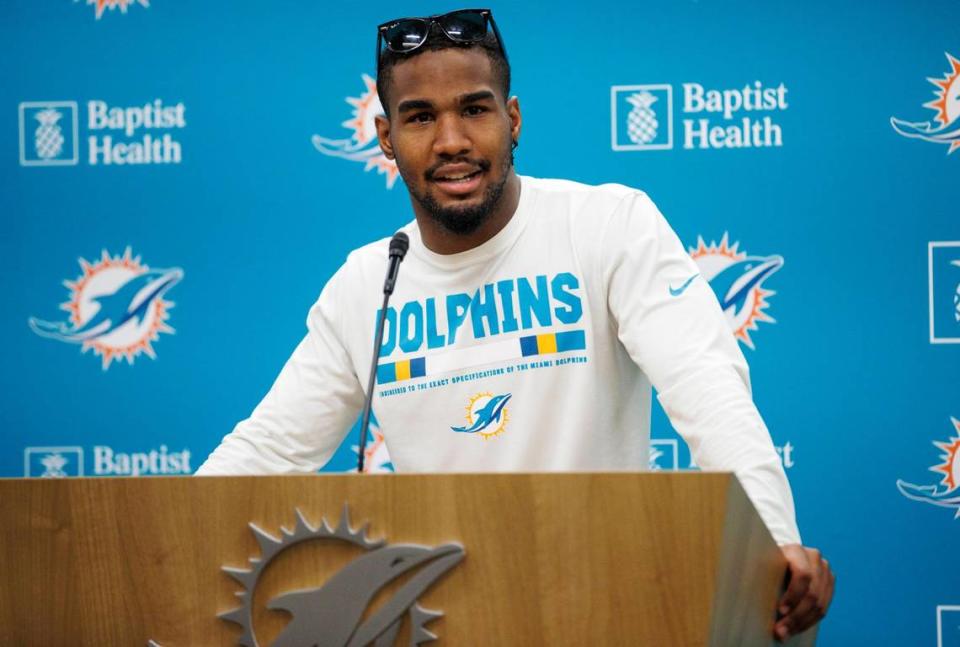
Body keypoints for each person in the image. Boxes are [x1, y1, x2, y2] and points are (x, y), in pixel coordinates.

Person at [197, 9, 834, 640]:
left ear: (513, 119)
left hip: (605, 608)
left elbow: (708, 389)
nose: (451, 141)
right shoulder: (367, 284)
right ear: (387, 138)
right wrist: (158, 546)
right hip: (442, 617)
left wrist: (775, 543)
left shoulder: (608, 224)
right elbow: (270, 449)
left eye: (474, 109)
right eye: (421, 117)